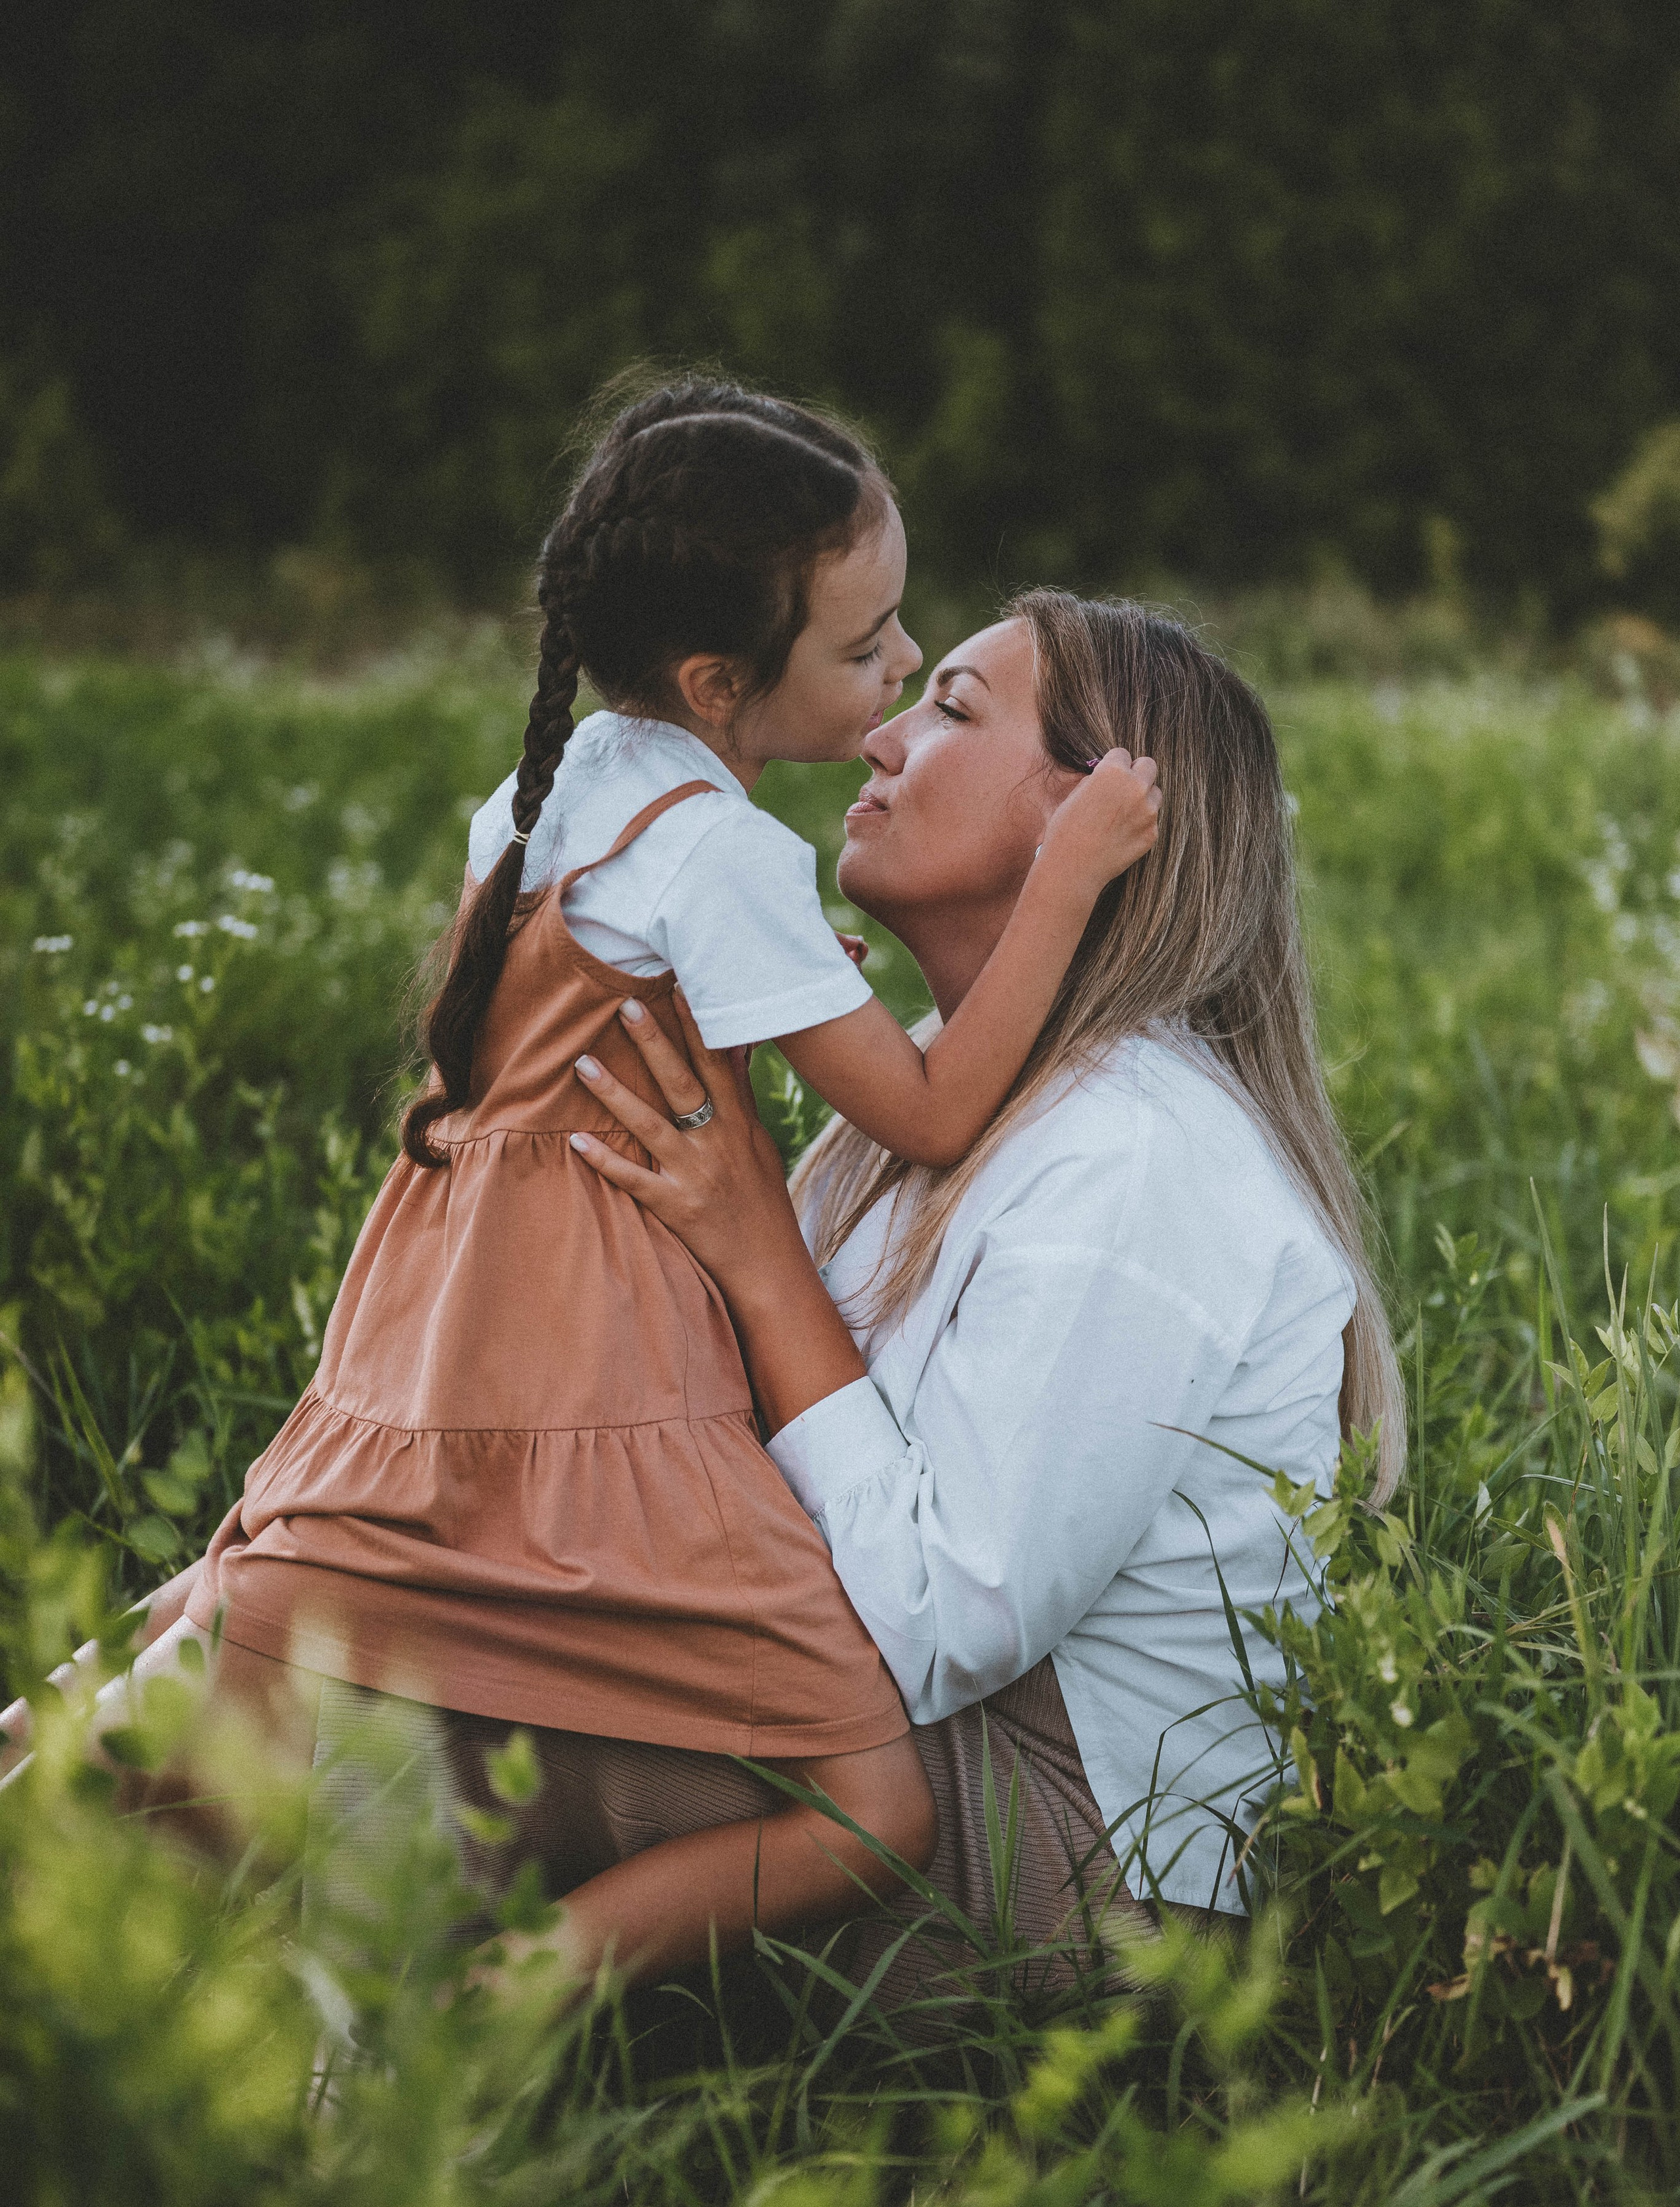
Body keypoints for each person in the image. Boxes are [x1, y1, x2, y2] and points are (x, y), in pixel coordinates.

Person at [3, 387, 1162, 1994]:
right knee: (870, 1798)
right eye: (866, 645)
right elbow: (935, 1108)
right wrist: (1069, 873)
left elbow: (560, 1007)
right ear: (717, 682)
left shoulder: (561, 786)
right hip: (594, 1365)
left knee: (237, 1640)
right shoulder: (720, 855)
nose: (900, 667)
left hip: (439, 1323)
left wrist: (758, 981)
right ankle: (497, 2000)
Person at [552, 591, 1406, 1994]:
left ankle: (309, 2038)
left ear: (1085, 816)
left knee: (453, 1695)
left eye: (948, 709)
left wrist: (761, 1256)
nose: (878, 739)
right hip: (913, 1742)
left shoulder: (1133, 1155)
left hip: (1078, 1861)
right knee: (392, 1609)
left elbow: (930, 1625)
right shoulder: (926, 1092)